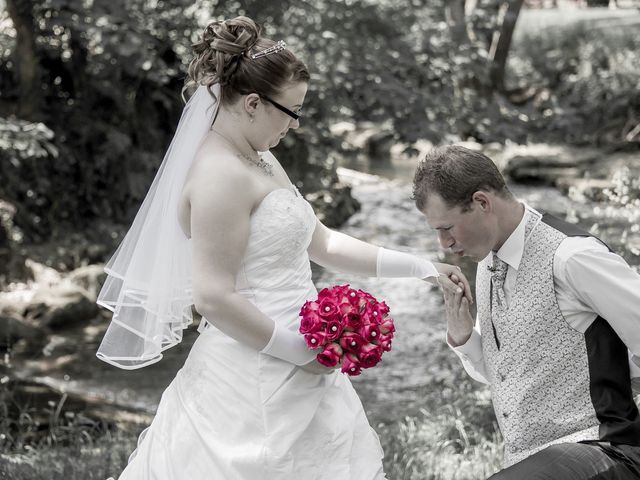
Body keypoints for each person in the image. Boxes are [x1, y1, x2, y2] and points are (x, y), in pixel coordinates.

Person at [96, 17, 471, 480]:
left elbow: (323, 242)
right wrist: (302, 352)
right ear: (253, 103)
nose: (294, 125)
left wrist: (422, 268)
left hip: (307, 362)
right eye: (291, 111)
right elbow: (213, 296)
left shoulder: (261, 159)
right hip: (250, 375)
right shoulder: (219, 176)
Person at [412, 144, 640, 479]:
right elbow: (511, 375)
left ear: (481, 203)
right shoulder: (489, 259)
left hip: (603, 448)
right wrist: (463, 337)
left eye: (446, 227)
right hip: (528, 463)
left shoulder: (572, 257)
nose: (443, 243)